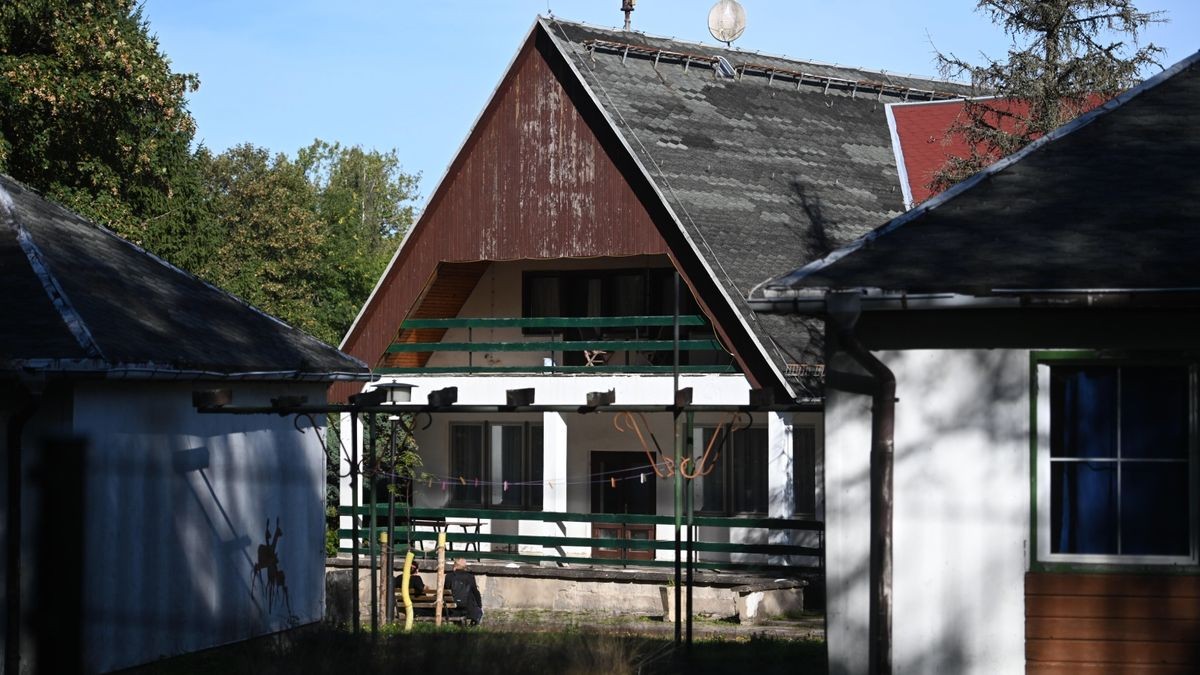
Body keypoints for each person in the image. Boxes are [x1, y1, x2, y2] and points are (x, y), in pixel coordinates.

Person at [446, 557, 482, 625]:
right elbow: (475, 593)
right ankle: (471, 628)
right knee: (479, 612)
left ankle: (459, 628)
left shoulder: (449, 576)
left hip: (452, 609)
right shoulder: (470, 577)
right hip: (468, 609)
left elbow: (446, 591)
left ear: (455, 566)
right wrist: (479, 606)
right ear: (465, 567)